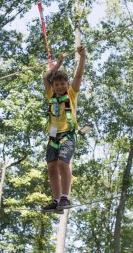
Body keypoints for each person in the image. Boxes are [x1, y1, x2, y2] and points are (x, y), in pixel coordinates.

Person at [41, 46, 86, 214]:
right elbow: (46, 77)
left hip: (67, 135)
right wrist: (58, 64)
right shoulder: (50, 94)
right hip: (52, 137)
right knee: (51, 167)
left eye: (62, 84)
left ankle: (65, 196)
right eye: (57, 84)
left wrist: (82, 57)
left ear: (67, 85)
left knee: (62, 163)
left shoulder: (72, 93)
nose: (60, 87)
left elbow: (79, 75)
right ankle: (57, 200)